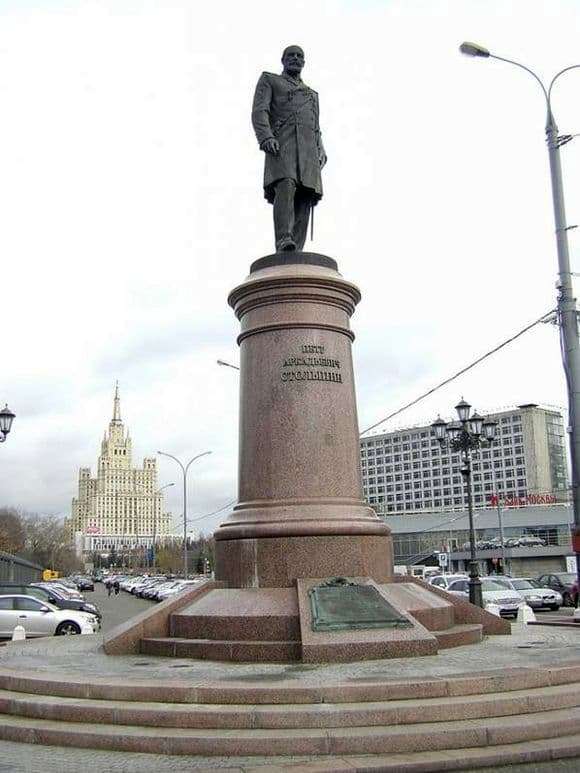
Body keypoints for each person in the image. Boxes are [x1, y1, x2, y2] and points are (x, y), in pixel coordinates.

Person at [252, 45, 327, 252]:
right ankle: (284, 239)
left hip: (308, 153)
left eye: (300, 56)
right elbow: (260, 112)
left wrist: (320, 149)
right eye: (291, 55)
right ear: (283, 60)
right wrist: (266, 136)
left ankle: (296, 251)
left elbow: (317, 128)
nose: (295, 58)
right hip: (282, 145)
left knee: (305, 195)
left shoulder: (312, 95)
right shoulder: (270, 80)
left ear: (304, 62)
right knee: (286, 186)